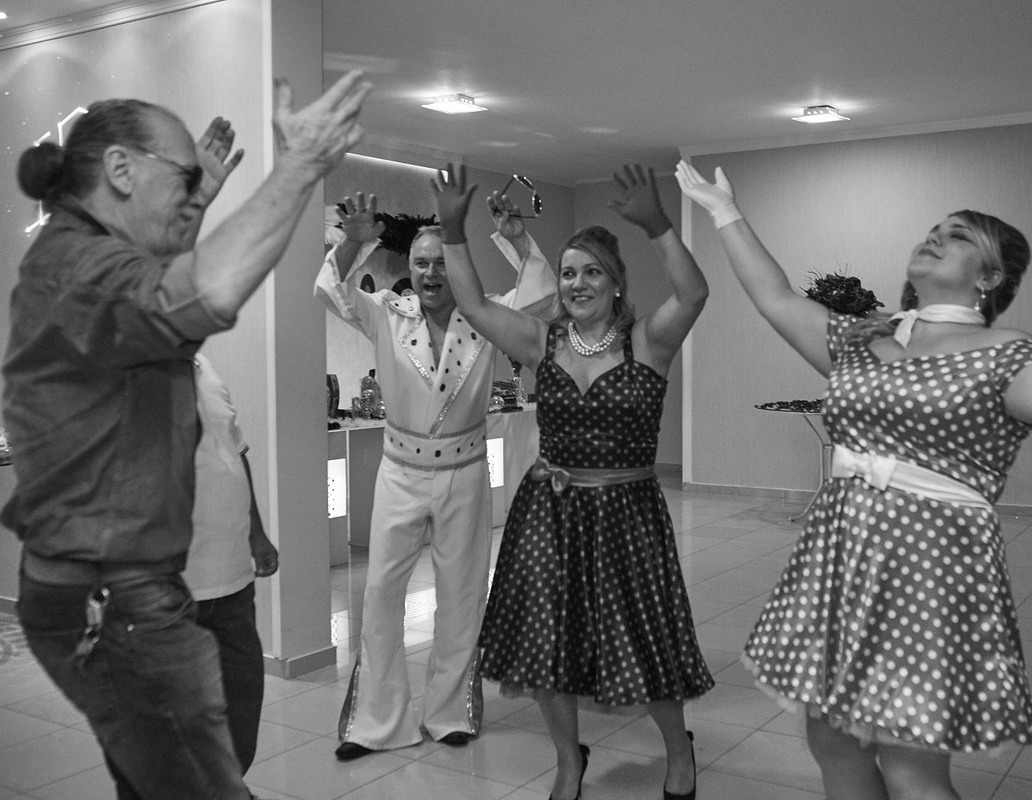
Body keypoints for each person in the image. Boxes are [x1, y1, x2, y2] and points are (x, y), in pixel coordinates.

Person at [674, 160, 1032, 800]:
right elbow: (775, 297)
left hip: (930, 564)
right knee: (832, 740)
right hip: (840, 553)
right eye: (935, 229)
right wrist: (725, 212)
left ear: (990, 277)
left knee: (910, 765)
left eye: (958, 235)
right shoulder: (863, 336)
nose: (936, 237)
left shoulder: (1006, 350)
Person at [3, 71, 371, 800]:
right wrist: (300, 165)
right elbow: (200, 290)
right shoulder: (77, 268)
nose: (195, 193)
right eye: (184, 178)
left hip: (124, 589)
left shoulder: (94, 263)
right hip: (112, 600)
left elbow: (164, 282)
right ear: (120, 169)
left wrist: (193, 196)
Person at [431, 163, 714, 800]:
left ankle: (679, 751)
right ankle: (568, 760)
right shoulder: (542, 341)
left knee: (644, 638)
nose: (577, 283)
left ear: (616, 283)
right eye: (568, 273)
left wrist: (660, 226)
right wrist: (452, 231)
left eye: (592, 272)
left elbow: (694, 293)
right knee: (546, 642)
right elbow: (473, 304)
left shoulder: (648, 342)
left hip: (627, 515)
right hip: (550, 511)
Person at [316, 189, 556, 758]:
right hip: (400, 473)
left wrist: (517, 238)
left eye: (442, 262)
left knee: (462, 593)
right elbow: (333, 291)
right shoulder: (387, 314)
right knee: (380, 593)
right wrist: (352, 242)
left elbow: (542, 296)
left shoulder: (488, 316)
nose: (430, 273)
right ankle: (376, 721)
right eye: (421, 263)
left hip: (465, 472)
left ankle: (449, 713)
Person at [184, 353, 280, 776]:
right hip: (173, 590)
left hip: (233, 581)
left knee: (242, 702)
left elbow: (235, 452)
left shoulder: (205, 368)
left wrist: (256, 532)